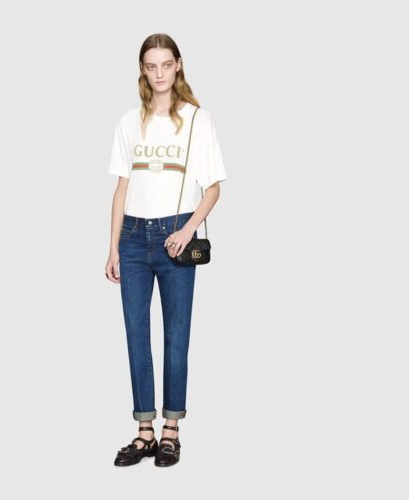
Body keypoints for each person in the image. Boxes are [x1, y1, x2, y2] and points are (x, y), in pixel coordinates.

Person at [105, 33, 227, 467]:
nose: (159, 73)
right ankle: (145, 432)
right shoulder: (128, 122)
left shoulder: (197, 120)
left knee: (176, 335)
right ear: (142, 70)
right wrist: (113, 247)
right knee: (136, 334)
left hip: (177, 233)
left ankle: (171, 430)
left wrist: (188, 231)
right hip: (133, 237)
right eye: (150, 66)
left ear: (178, 65)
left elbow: (213, 188)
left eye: (166, 64)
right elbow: (122, 187)